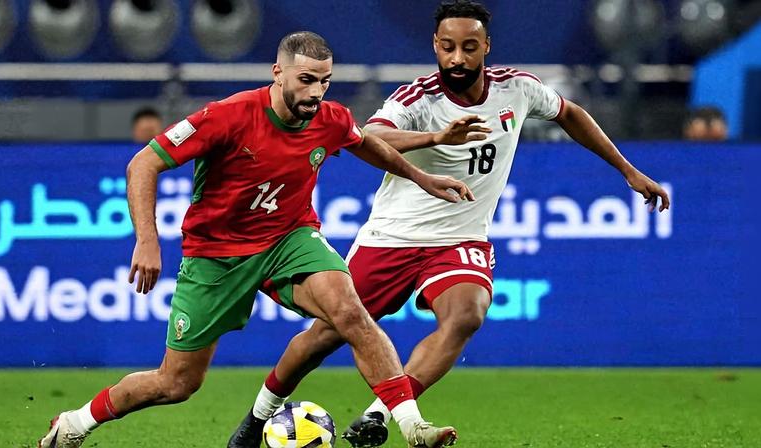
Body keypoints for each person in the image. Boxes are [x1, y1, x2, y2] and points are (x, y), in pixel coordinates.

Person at [228, 1, 671, 447]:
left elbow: (570, 113)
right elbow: (370, 136)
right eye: (447, 47)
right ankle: (256, 418)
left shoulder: (517, 89)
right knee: (325, 336)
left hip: (459, 239)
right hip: (391, 237)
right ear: (435, 47)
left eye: (469, 47)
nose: (457, 58)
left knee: (466, 314)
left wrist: (627, 170)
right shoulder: (416, 99)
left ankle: (381, 415)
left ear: (486, 48)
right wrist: (436, 137)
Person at [38, 31, 472, 448]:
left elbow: (365, 143)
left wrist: (420, 175)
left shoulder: (330, 117)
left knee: (349, 311)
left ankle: (412, 425)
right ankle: (77, 422)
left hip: (290, 239)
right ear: (277, 73)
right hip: (216, 256)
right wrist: (147, 241)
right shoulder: (226, 116)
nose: (316, 92)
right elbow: (143, 164)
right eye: (306, 80)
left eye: (324, 81)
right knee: (176, 383)